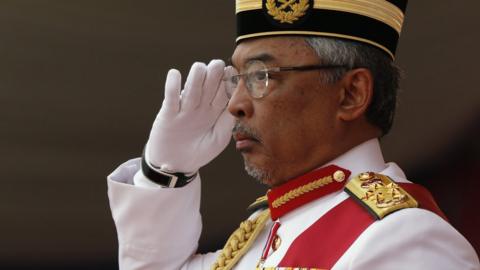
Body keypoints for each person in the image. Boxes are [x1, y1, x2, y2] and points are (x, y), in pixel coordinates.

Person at [107, 0, 480, 269]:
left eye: (261, 76)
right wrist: (165, 174)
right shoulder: (263, 230)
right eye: (237, 79)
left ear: (351, 94)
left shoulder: (404, 239)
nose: (235, 103)